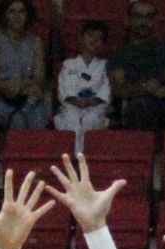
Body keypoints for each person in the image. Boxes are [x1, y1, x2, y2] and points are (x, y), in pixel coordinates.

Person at [108, 0, 165, 130]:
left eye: (149, 17)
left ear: (154, 20)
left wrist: (164, 81)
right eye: (138, 16)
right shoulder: (119, 55)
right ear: (128, 20)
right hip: (141, 103)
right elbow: (118, 89)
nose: (144, 22)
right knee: (138, 111)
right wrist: (145, 89)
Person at [0, 0, 50, 130]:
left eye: (21, 11)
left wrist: (23, 88)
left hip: (27, 95)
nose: (17, 16)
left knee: (39, 120)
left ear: (28, 15)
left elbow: (39, 77)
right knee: (18, 122)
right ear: (4, 15)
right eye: (11, 11)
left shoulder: (35, 42)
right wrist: (9, 88)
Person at [54, 20, 111, 155]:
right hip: (72, 105)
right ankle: (73, 159)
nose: (94, 40)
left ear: (103, 44)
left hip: (96, 106)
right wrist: (75, 100)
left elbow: (106, 90)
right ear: (81, 38)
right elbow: (64, 88)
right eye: (90, 35)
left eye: (99, 38)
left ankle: (86, 160)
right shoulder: (69, 64)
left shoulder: (105, 65)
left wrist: (92, 101)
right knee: (72, 119)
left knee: (91, 120)